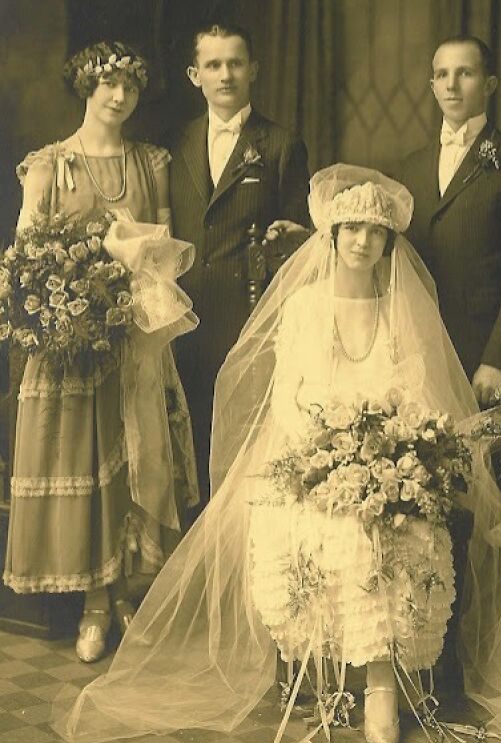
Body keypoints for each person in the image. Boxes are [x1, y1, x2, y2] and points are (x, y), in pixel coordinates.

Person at [53, 166, 501, 743]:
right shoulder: (307, 305)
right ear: (330, 236)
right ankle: (333, 673)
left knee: (400, 518)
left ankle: (381, 686)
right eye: (350, 229)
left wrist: (392, 446)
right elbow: (291, 395)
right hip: (312, 451)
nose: (362, 241)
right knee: (326, 520)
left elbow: (417, 394)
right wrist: (332, 451)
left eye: (374, 231)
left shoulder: (401, 310)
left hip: (388, 458)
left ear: (389, 241)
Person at [3, 41, 199, 664]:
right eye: (106, 85)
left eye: (130, 87)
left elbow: (165, 249)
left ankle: (124, 592)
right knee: (88, 465)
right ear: (86, 89)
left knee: (136, 461)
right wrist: (76, 299)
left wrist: (141, 281)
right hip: (75, 344)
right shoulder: (49, 164)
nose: (118, 97)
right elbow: (28, 260)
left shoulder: (150, 162)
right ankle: (93, 599)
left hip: (135, 336)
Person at [170, 21, 310, 504]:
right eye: (213, 65)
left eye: (235, 63)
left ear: (254, 69)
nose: (225, 74)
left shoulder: (280, 145)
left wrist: (288, 239)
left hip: (249, 323)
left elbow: (299, 244)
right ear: (195, 75)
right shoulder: (178, 144)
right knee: (191, 449)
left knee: (245, 455)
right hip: (185, 321)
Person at [400, 35, 501, 406]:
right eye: (442, 74)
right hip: (419, 346)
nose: (451, 85)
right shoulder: (410, 167)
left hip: (481, 351)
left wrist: (498, 358)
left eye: (464, 73)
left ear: (489, 85)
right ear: (432, 86)